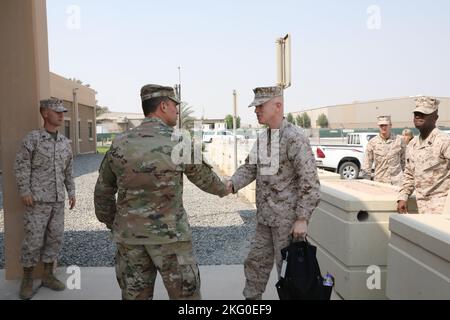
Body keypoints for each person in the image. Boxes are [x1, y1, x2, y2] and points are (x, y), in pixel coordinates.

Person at [94, 84, 230, 300]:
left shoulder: (120, 143)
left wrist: (115, 223)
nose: (177, 110)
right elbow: (207, 181)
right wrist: (227, 188)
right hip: (171, 240)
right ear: (163, 106)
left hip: (130, 240)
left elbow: (102, 192)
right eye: (175, 105)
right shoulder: (178, 142)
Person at [227, 86, 320, 300]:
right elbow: (250, 168)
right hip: (265, 219)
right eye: (256, 106)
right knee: (255, 265)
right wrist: (231, 184)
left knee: (290, 276)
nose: (256, 110)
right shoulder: (264, 138)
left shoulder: (294, 138)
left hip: (287, 223)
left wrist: (302, 219)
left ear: (277, 106)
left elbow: (310, 183)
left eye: (260, 106)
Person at [14, 99, 76, 300]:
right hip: (37, 200)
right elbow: (21, 166)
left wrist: (72, 192)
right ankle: (28, 279)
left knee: (55, 238)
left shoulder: (65, 143)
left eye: (62, 112)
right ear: (45, 113)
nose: (61, 115)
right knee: (33, 240)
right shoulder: (33, 139)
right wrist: (25, 191)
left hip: (58, 200)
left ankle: (49, 275)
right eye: (56, 112)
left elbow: (68, 170)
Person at [398, 96, 450, 214]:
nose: (418, 116)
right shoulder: (412, 144)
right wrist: (403, 196)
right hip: (420, 207)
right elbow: (409, 174)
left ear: (435, 118)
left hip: (441, 210)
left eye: (423, 113)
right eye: (416, 113)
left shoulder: (444, 141)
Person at [361, 115, 406, 186]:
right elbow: (367, 164)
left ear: (390, 125)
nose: (383, 127)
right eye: (381, 125)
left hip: (398, 183)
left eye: (385, 125)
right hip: (380, 182)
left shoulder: (399, 141)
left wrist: (406, 181)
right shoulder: (372, 143)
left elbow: (405, 162)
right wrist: (367, 182)